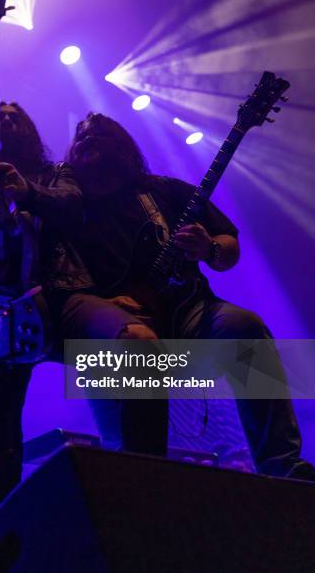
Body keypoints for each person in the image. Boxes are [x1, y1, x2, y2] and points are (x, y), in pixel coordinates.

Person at [58, 111, 315, 481]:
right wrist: (97, 305)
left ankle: (283, 467)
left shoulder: (163, 190)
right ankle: (144, 489)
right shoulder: (69, 209)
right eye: (79, 134)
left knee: (245, 327)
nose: (86, 136)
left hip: (188, 310)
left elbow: (230, 246)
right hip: (117, 325)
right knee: (124, 449)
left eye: (97, 132)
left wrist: (208, 248)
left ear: (121, 145)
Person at [0, 102, 92, 521]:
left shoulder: (54, 176)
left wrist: (27, 191)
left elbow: (74, 207)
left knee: (129, 361)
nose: (6, 117)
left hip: (57, 304)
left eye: (14, 114)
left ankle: (141, 489)